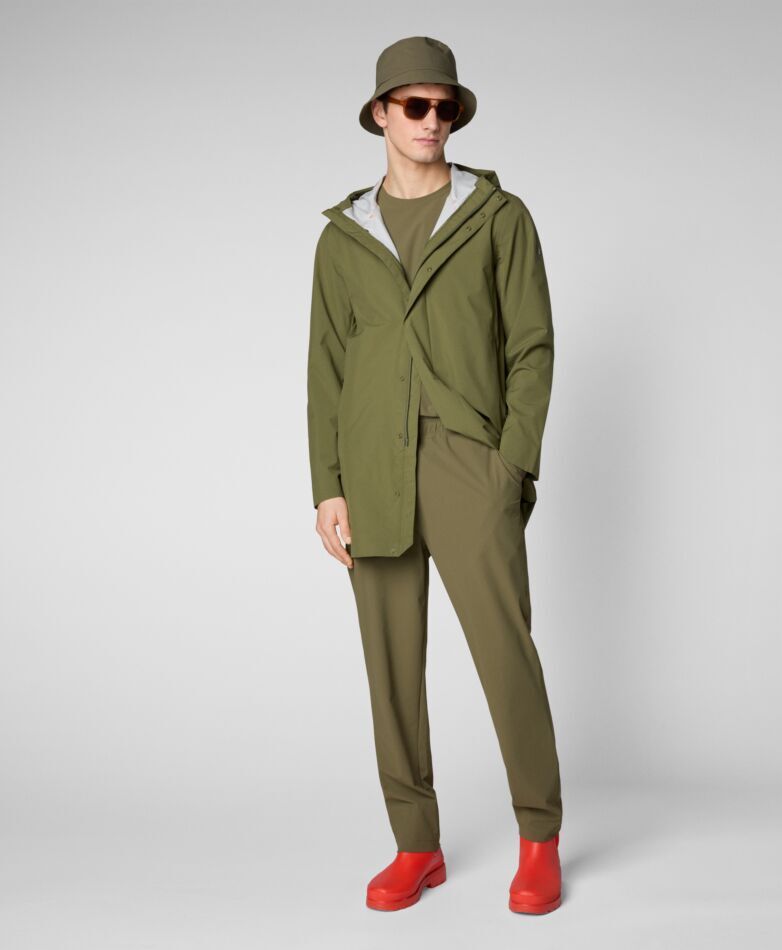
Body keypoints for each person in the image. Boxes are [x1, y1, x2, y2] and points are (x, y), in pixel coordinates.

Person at [306, 35, 563, 914]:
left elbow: (532, 346)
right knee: (390, 666)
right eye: (414, 105)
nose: (431, 121)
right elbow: (326, 367)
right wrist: (327, 484)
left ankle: (539, 837)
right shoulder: (343, 238)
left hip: (467, 460)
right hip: (371, 465)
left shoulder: (498, 218)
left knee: (504, 651)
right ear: (381, 113)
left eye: (444, 107)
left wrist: (510, 462)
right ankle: (416, 845)